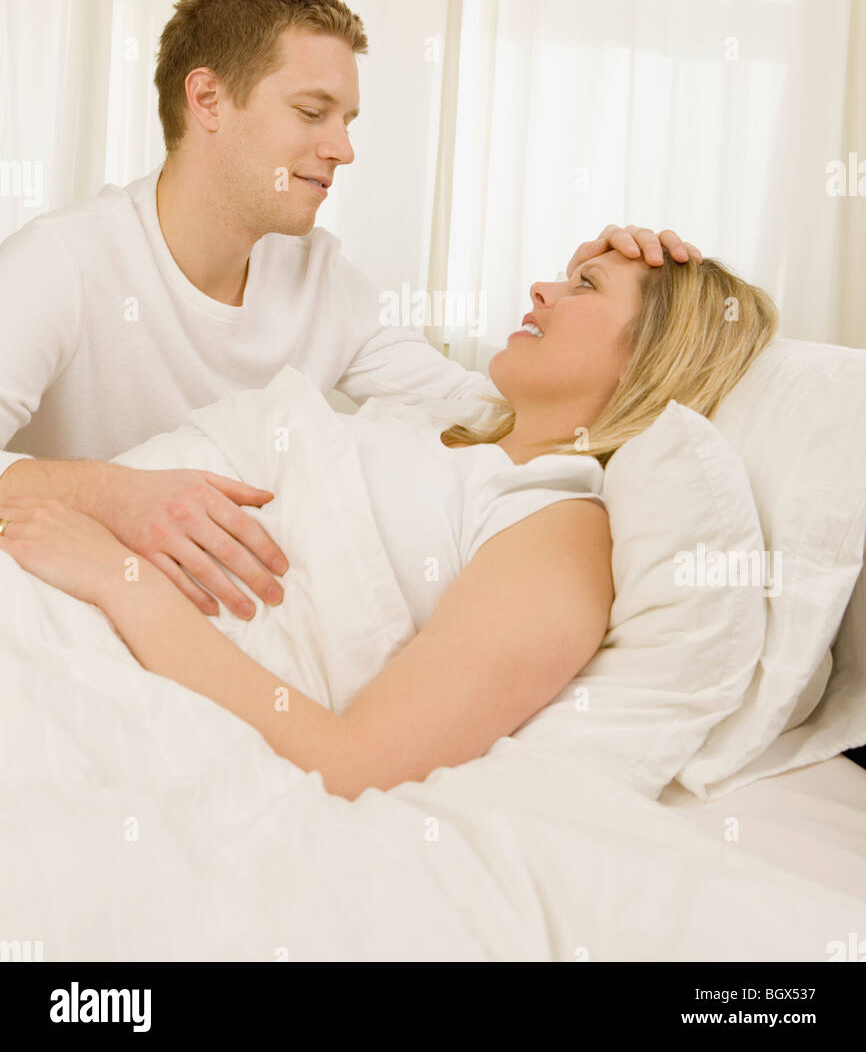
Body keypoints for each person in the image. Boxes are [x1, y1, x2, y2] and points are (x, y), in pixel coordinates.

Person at [0, 0, 701, 617]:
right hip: (48, 608)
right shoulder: (62, 263)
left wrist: (609, 294)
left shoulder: (321, 282)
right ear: (208, 99)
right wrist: (118, 496)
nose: (343, 148)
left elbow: (493, 413)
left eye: (348, 121)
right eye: (313, 113)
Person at [0, 244, 779, 801]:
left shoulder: (557, 529)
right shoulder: (440, 426)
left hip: (96, 633)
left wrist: (119, 578)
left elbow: (352, 765)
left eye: (585, 285)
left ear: (649, 356)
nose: (542, 289)